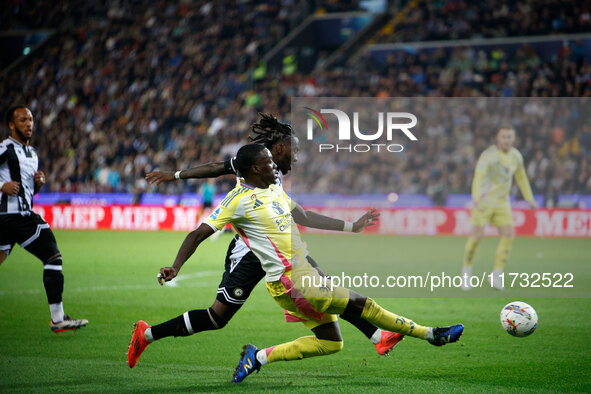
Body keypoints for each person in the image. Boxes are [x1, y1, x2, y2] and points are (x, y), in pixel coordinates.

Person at [130, 144, 464, 382]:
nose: (276, 163)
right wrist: (176, 265)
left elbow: (302, 214)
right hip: (291, 279)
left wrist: (351, 226)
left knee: (331, 342)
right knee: (361, 303)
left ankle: (257, 357)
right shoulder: (237, 200)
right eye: (268, 161)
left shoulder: (274, 188)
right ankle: (431, 334)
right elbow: (198, 233)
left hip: (290, 280)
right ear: (254, 168)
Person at [144, 114, 402, 357]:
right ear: (280, 149)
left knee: (325, 287)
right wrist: (176, 175)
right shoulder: (252, 167)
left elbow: (301, 215)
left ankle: (377, 336)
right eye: (295, 150)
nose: (297, 157)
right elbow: (216, 168)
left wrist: (350, 227)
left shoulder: (271, 176)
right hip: (249, 252)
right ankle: (147, 334)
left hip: (279, 249)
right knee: (216, 318)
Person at [0, 105, 88, 332]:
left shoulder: (32, 154)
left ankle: (59, 319)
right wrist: (2, 186)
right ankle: (58, 319)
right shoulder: (5, 148)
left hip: (12, 219)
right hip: (14, 215)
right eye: (22, 120)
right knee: (52, 254)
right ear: (11, 125)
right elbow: (8, 186)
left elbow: (28, 192)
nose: (28, 124)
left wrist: (37, 184)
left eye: (30, 119)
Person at [461, 126, 537, 290]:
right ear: (498, 138)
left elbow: (521, 178)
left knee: (509, 235)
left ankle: (496, 275)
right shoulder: (489, 155)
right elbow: (478, 178)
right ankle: (466, 273)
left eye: (510, 137)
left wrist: (530, 199)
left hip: (502, 203)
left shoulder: (516, 156)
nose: (507, 140)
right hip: (484, 202)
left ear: (513, 138)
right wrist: (475, 199)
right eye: (504, 137)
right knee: (476, 236)